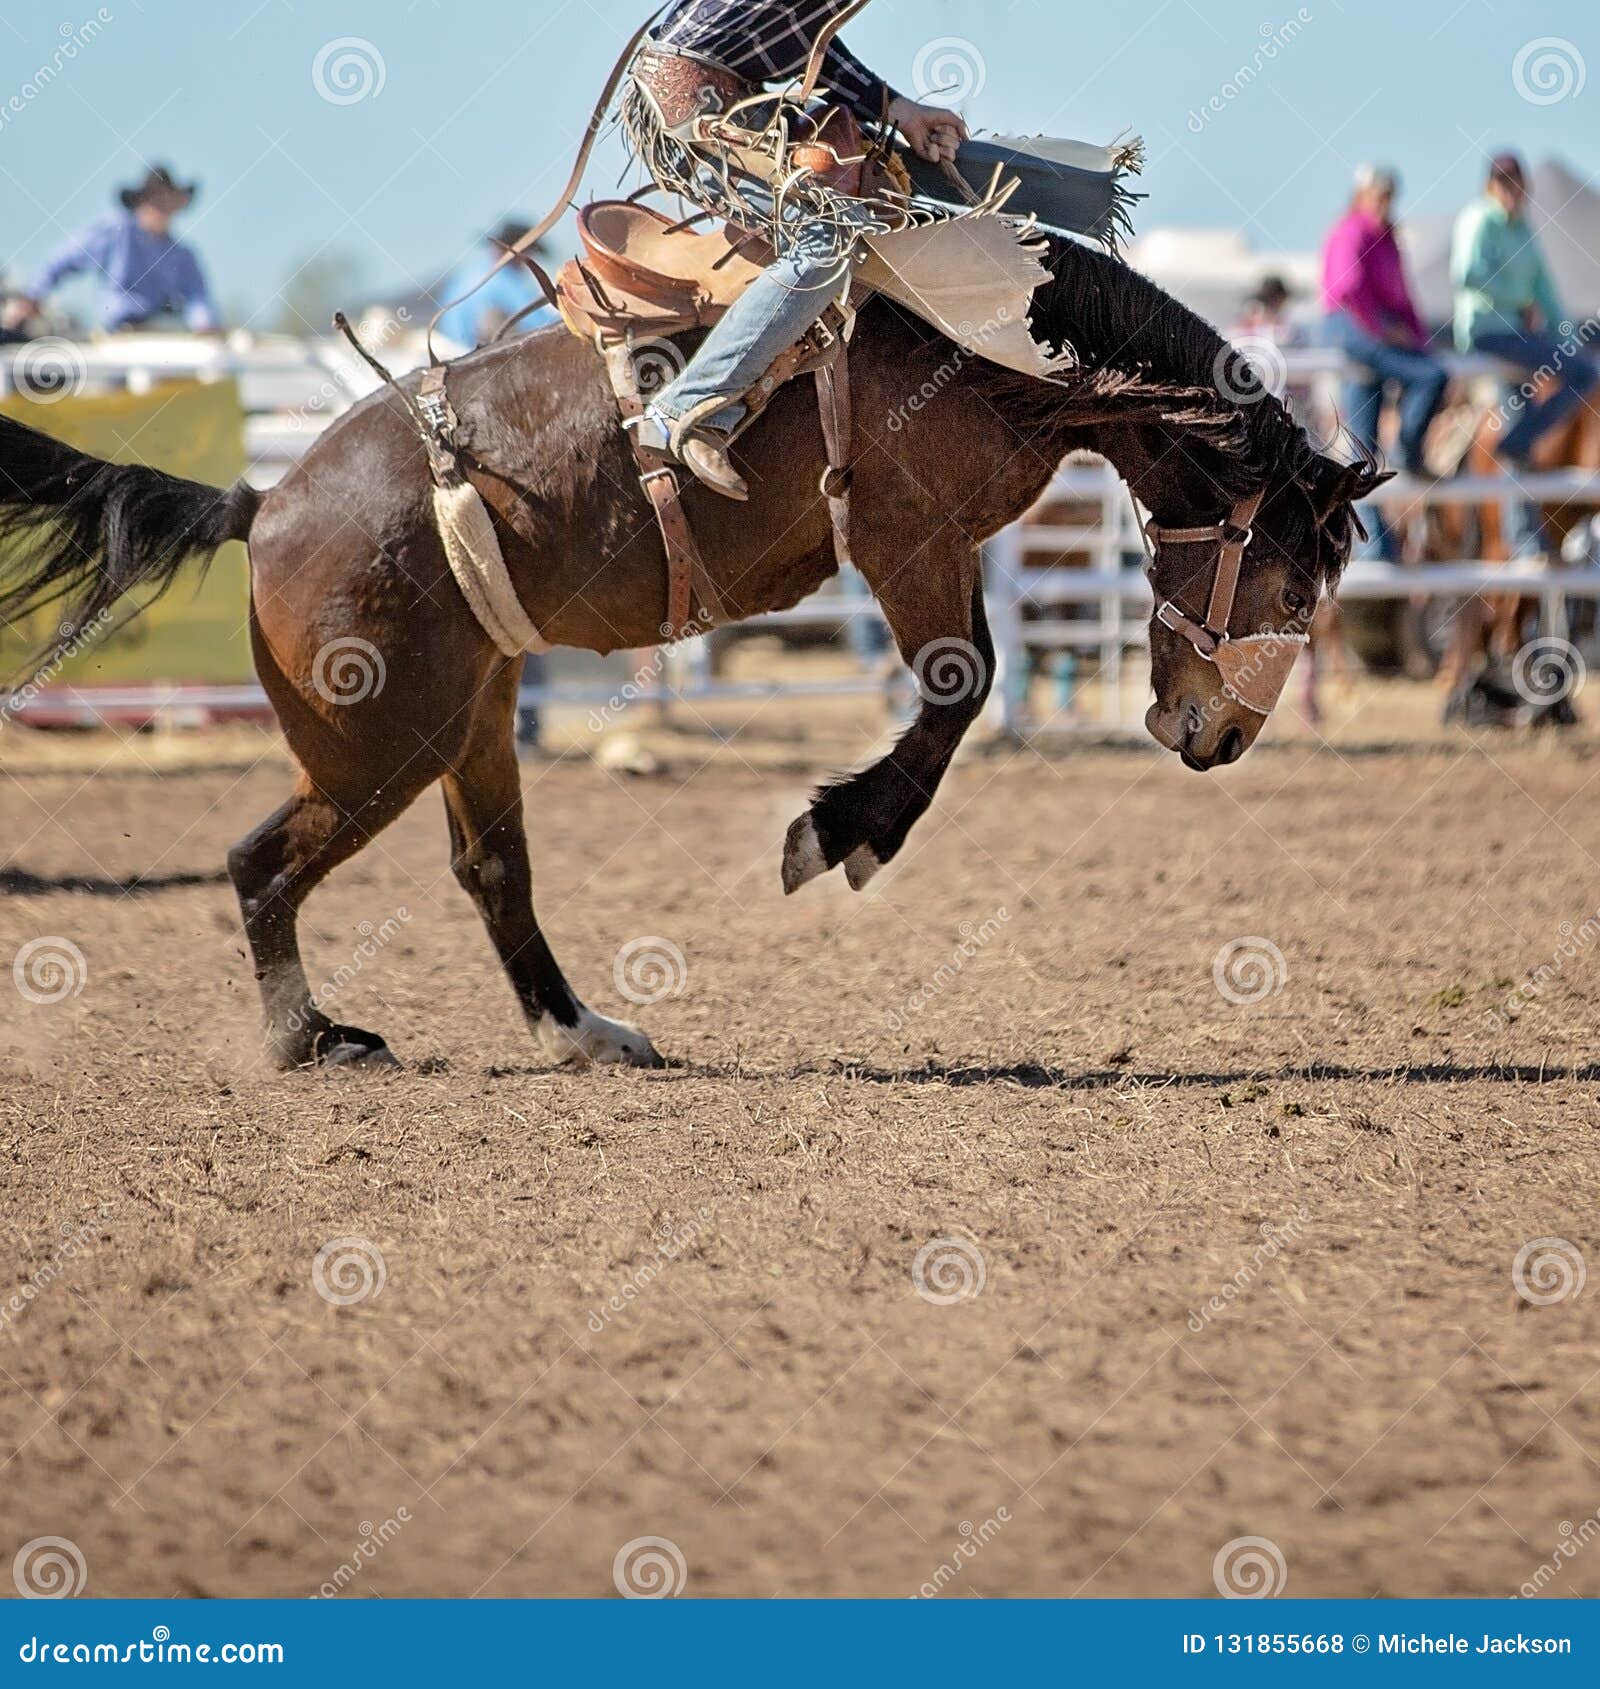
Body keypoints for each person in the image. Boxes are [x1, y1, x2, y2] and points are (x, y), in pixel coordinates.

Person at [622, 1, 968, 499]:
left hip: (710, 93)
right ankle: (684, 408)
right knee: (828, 237)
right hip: (694, 104)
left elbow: (801, 34)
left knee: (867, 182)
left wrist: (899, 110)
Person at [1453, 152, 1598, 560]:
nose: (1510, 190)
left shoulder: (1524, 231)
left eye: (1515, 183)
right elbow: (1466, 275)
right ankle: (1517, 442)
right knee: (1581, 376)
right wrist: (1521, 300)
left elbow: (1547, 293)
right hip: (1488, 332)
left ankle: (1525, 538)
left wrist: (1568, 338)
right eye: (1503, 182)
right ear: (1490, 185)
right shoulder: (1477, 220)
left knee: (1578, 373)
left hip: (1516, 332)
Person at [1321, 165, 1446, 562]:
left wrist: (1418, 340)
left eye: (1388, 193)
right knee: (1431, 376)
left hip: (1367, 333)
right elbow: (1349, 288)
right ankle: (1408, 453)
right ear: (1362, 194)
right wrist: (1387, 333)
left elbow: (1402, 298)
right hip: (1354, 328)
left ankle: (1376, 544)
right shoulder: (1354, 231)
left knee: (1363, 450)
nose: (1384, 199)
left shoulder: (1385, 237)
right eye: (1378, 192)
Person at [2, 164, 219, 336]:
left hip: (160, 335)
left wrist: (205, 325)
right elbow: (65, 259)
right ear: (141, 202)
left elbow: (199, 298)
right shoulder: (117, 230)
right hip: (119, 335)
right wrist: (33, 296)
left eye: (166, 201)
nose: (161, 209)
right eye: (156, 200)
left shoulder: (182, 255)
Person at [434, 220, 559, 353]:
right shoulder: (505, 279)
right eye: (529, 251)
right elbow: (537, 322)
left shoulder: (469, 273)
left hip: (456, 349)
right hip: (479, 350)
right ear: (517, 251)